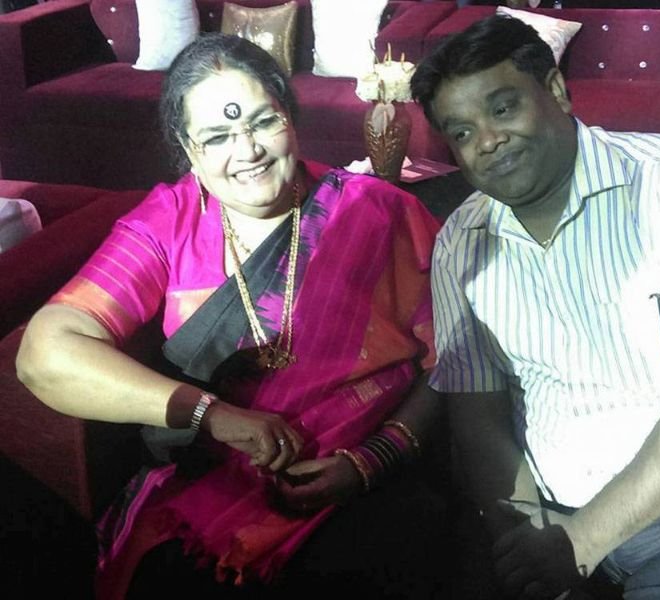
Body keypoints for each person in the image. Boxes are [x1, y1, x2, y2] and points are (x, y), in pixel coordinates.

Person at [16, 33, 446, 599]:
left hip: (367, 477)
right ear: (188, 150)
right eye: (217, 136)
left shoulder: (381, 211)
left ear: (290, 117)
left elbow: (454, 360)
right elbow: (45, 353)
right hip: (212, 494)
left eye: (263, 123)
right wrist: (213, 415)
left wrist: (373, 459)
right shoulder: (168, 223)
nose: (247, 152)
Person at [410, 14, 660, 600]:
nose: (487, 141)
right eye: (461, 132)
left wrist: (582, 540)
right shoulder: (462, 241)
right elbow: (478, 414)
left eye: (503, 109)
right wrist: (529, 537)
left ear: (557, 91)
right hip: (547, 515)